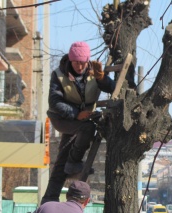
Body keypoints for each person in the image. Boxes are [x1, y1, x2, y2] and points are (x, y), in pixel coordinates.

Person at [41, 41, 116, 204]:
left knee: (61, 162)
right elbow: (54, 102)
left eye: (83, 63)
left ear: (87, 61)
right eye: (76, 63)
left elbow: (113, 88)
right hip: (61, 119)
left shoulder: (93, 71)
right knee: (87, 128)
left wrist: (102, 79)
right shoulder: (59, 74)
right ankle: (74, 162)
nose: (80, 67)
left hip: (82, 119)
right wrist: (76, 114)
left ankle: (49, 199)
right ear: (70, 60)